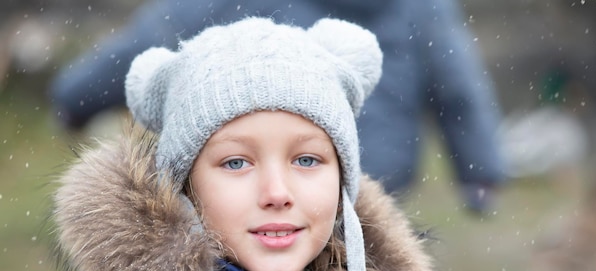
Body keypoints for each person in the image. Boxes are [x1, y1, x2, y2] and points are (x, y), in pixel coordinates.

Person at [7, 17, 448, 271]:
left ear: (341, 183)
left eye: (307, 160)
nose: (277, 193)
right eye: (236, 163)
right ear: (184, 187)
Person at [49, 0, 505, 214]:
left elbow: (145, 43)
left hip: (249, 174)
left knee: (258, 256)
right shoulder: (422, 7)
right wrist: (480, 171)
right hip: (373, 174)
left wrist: (75, 98)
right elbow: (458, 87)